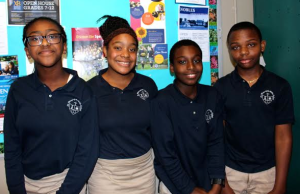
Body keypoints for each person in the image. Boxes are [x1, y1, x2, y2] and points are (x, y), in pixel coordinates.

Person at [4, 16, 99, 194]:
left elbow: (87, 151)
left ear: (64, 46)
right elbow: (11, 146)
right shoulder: (18, 89)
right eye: (35, 38)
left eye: (52, 36)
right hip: (25, 184)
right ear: (27, 51)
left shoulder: (84, 92)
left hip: (69, 184)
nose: (45, 43)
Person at [214, 21, 294, 194]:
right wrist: (223, 183)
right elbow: (216, 138)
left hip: (267, 174)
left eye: (251, 44)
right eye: (235, 47)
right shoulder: (221, 88)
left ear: (262, 45)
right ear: (229, 50)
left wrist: (280, 185)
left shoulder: (280, 86)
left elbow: (283, 137)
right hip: (231, 172)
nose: (243, 52)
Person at [87, 15, 158, 194]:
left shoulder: (148, 86)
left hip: (144, 172)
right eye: (118, 47)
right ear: (105, 50)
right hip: (105, 175)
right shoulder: (89, 90)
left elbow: (158, 132)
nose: (125, 55)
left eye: (132, 49)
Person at [151, 39, 225, 194]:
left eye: (196, 60)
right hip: (174, 185)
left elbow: (216, 142)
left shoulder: (212, 96)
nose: (191, 66)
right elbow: (165, 154)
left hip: (208, 184)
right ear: (172, 67)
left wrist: (218, 182)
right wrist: (190, 189)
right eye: (182, 61)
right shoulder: (162, 101)